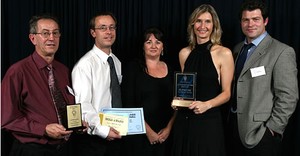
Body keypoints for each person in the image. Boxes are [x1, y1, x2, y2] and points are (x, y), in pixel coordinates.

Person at [227, 1, 299, 156]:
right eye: (246, 20)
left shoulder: (282, 51)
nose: (250, 24)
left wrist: (272, 129)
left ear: (265, 21)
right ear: (241, 22)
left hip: (260, 134)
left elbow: (288, 96)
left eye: (256, 19)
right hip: (233, 129)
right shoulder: (237, 49)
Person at [1, 14, 74, 156]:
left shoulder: (64, 70)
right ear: (33, 38)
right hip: (32, 149)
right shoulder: (17, 71)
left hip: (64, 149)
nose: (51, 38)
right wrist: (44, 129)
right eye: (45, 33)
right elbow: (7, 119)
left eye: (55, 33)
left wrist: (77, 123)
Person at [171, 4, 234, 156]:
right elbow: (185, 87)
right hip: (184, 122)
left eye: (208, 21)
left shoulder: (223, 53)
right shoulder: (184, 53)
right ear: (193, 25)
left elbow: (226, 93)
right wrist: (178, 100)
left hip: (208, 122)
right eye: (199, 21)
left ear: (214, 26)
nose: (202, 26)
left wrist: (207, 105)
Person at [71, 12, 122, 156]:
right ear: (93, 32)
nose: (109, 32)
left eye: (112, 27)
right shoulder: (84, 65)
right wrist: (103, 131)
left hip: (117, 135)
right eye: (103, 28)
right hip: (95, 141)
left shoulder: (117, 62)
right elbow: (83, 105)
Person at [121, 27, 176, 156]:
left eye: (158, 42)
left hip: (166, 135)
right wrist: (148, 132)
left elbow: (179, 102)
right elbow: (128, 104)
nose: (153, 46)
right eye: (148, 42)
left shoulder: (173, 70)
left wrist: (169, 128)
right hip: (140, 135)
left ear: (163, 47)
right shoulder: (133, 68)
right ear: (143, 46)